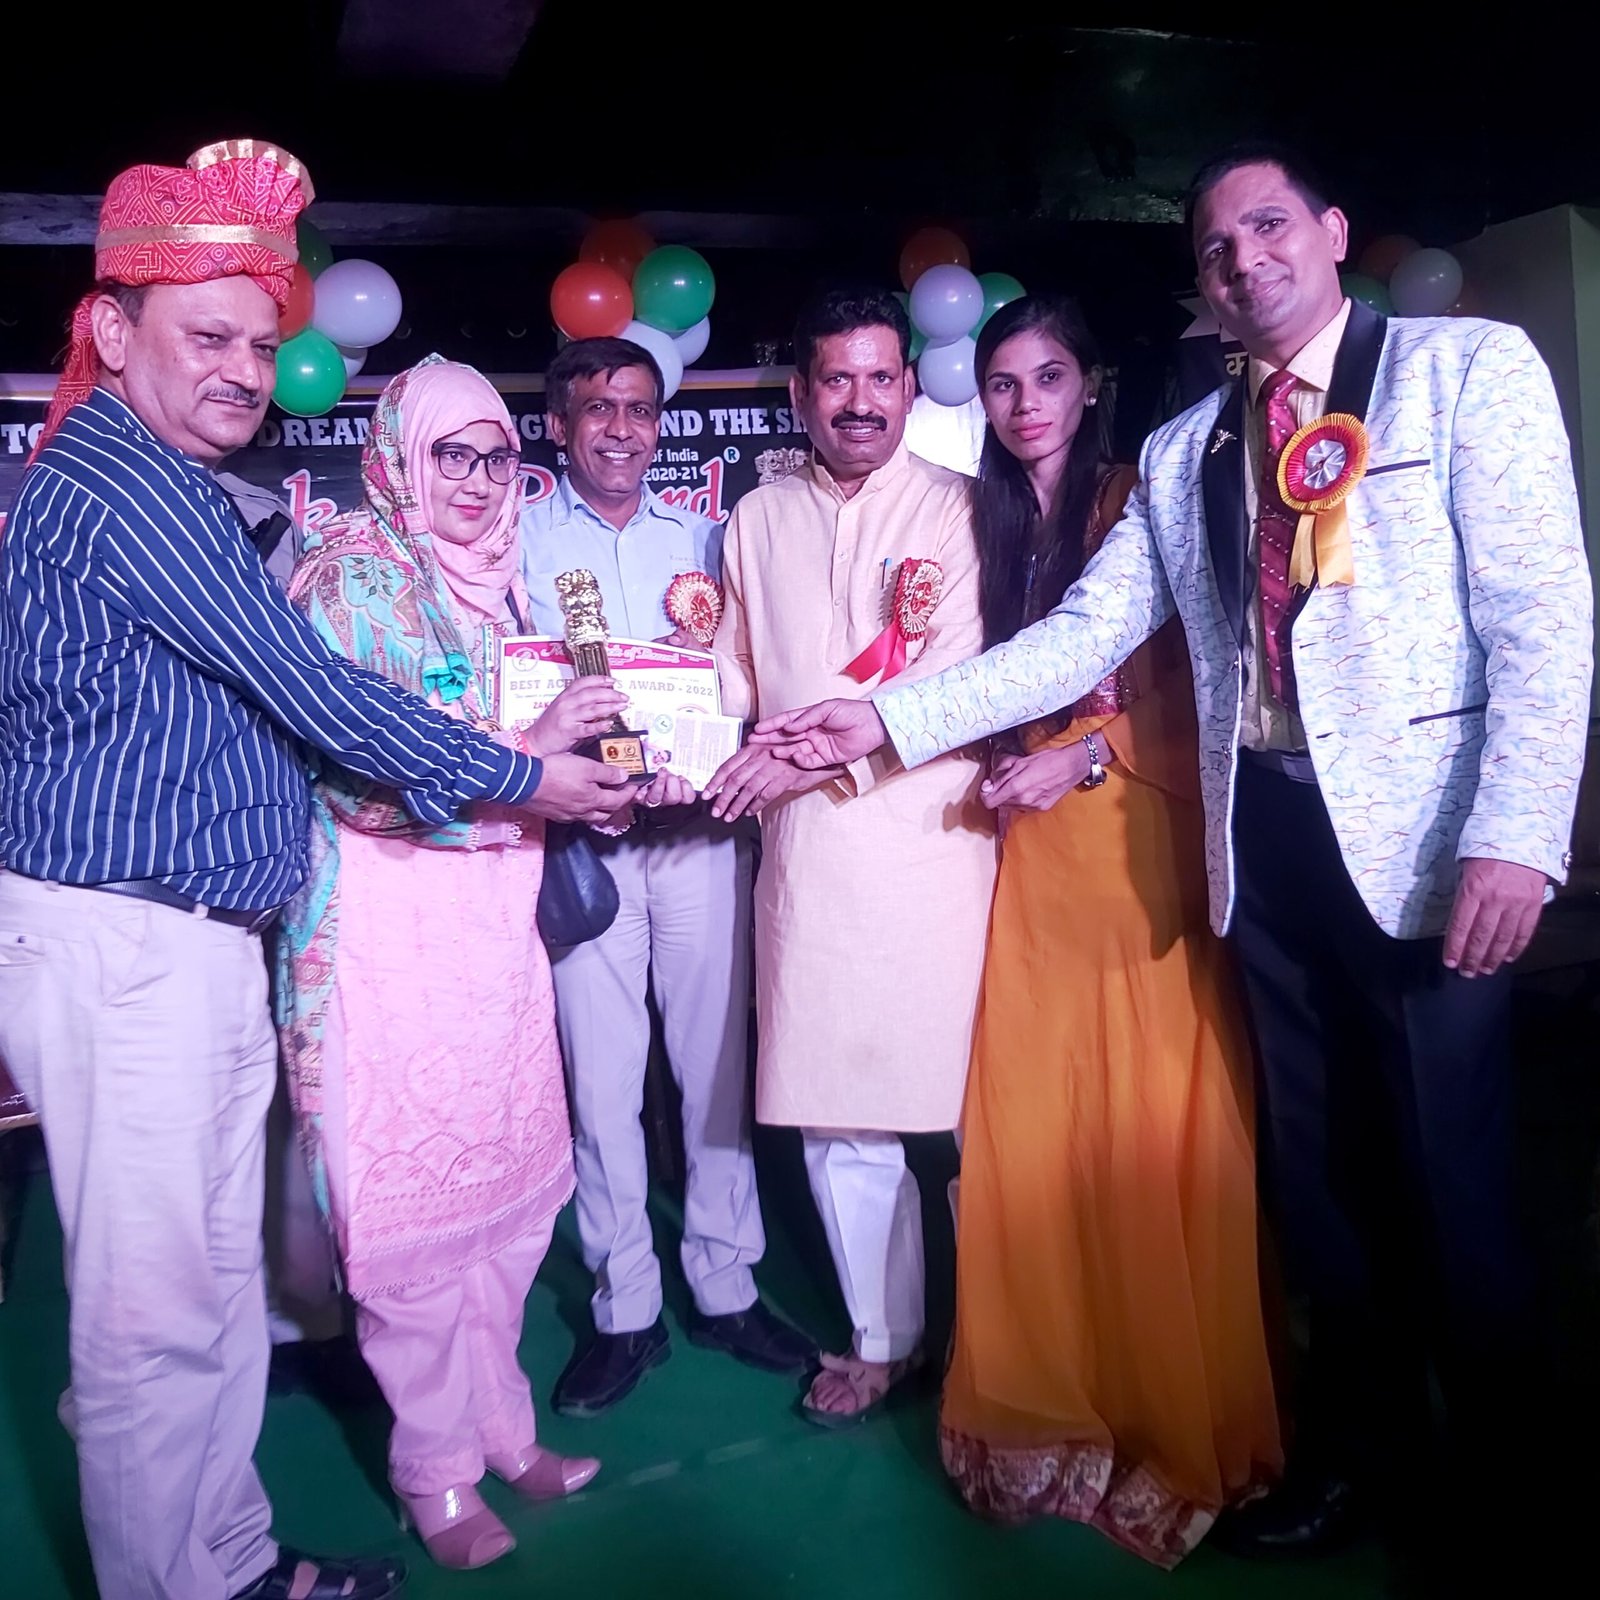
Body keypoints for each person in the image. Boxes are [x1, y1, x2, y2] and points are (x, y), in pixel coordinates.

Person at [754, 144, 1593, 1557]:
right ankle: (1361, 1462)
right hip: (1260, 844)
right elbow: (1089, 634)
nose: (1243, 259)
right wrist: (887, 718)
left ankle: (1512, 1501)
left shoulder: (1463, 368)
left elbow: (1542, 611)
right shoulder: (1188, 444)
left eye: (1268, 226)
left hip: (1431, 851)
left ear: (1332, 231)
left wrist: (1519, 832)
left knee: (1455, 1186)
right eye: (1214, 246)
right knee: (1320, 1184)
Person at [0, 142, 631, 1600]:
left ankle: (226, 1559)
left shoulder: (167, 480)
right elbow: (324, 700)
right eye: (205, 338)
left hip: (195, 937)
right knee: (156, 1325)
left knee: (213, 1295)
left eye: (256, 341)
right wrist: (529, 775)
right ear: (112, 333)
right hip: (130, 945)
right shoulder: (128, 487)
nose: (242, 370)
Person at [277, 354, 663, 1568]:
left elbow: (542, 753)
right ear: (400, 456)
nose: (479, 479)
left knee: (501, 1203)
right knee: (410, 1222)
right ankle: (432, 1469)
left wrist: (597, 784)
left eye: (497, 455)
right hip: (387, 940)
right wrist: (530, 756)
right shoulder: (349, 577)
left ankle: (503, 1427)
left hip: (493, 937)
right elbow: (356, 777)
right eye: (452, 453)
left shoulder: (505, 582)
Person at [937, 294, 1280, 1566]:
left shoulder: (1140, 496)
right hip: (1027, 853)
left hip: (1132, 831)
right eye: (1001, 383)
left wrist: (1083, 756)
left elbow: (1206, 675)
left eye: (1047, 378)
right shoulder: (981, 517)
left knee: (1140, 1122)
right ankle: (1053, 1395)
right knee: (1036, 1120)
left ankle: (1160, 1409)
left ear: (1089, 385)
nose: (1023, 404)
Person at [704, 286, 998, 1424]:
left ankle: (1002, 1343)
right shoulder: (755, 518)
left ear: (912, 389)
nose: (860, 401)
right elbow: (734, 674)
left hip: (936, 846)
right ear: (800, 394)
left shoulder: (963, 509)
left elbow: (958, 681)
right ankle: (885, 1340)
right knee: (841, 1116)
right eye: (837, 379)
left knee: (972, 1111)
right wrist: (673, 722)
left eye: (881, 378)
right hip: (810, 856)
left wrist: (796, 761)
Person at [521, 336, 816, 1416]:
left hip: (698, 836)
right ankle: (625, 1308)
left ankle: (726, 1284)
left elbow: (744, 679)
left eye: (640, 409)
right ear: (558, 426)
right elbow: (509, 687)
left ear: (661, 425)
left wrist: (712, 754)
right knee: (600, 1084)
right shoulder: (517, 541)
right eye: (598, 408)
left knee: (715, 1068)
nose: (621, 429)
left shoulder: (707, 538)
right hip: (587, 843)